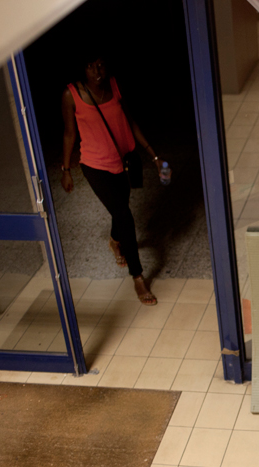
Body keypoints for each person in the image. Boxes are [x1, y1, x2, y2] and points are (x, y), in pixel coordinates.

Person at [61, 51, 163, 305]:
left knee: (121, 210)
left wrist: (154, 156)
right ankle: (138, 277)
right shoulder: (72, 95)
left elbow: (130, 121)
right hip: (94, 166)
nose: (97, 72)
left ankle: (115, 241)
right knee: (124, 215)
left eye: (101, 65)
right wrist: (66, 170)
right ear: (82, 69)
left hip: (121, 162)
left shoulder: (115, 85)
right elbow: (69, 135)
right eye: (90, 67)